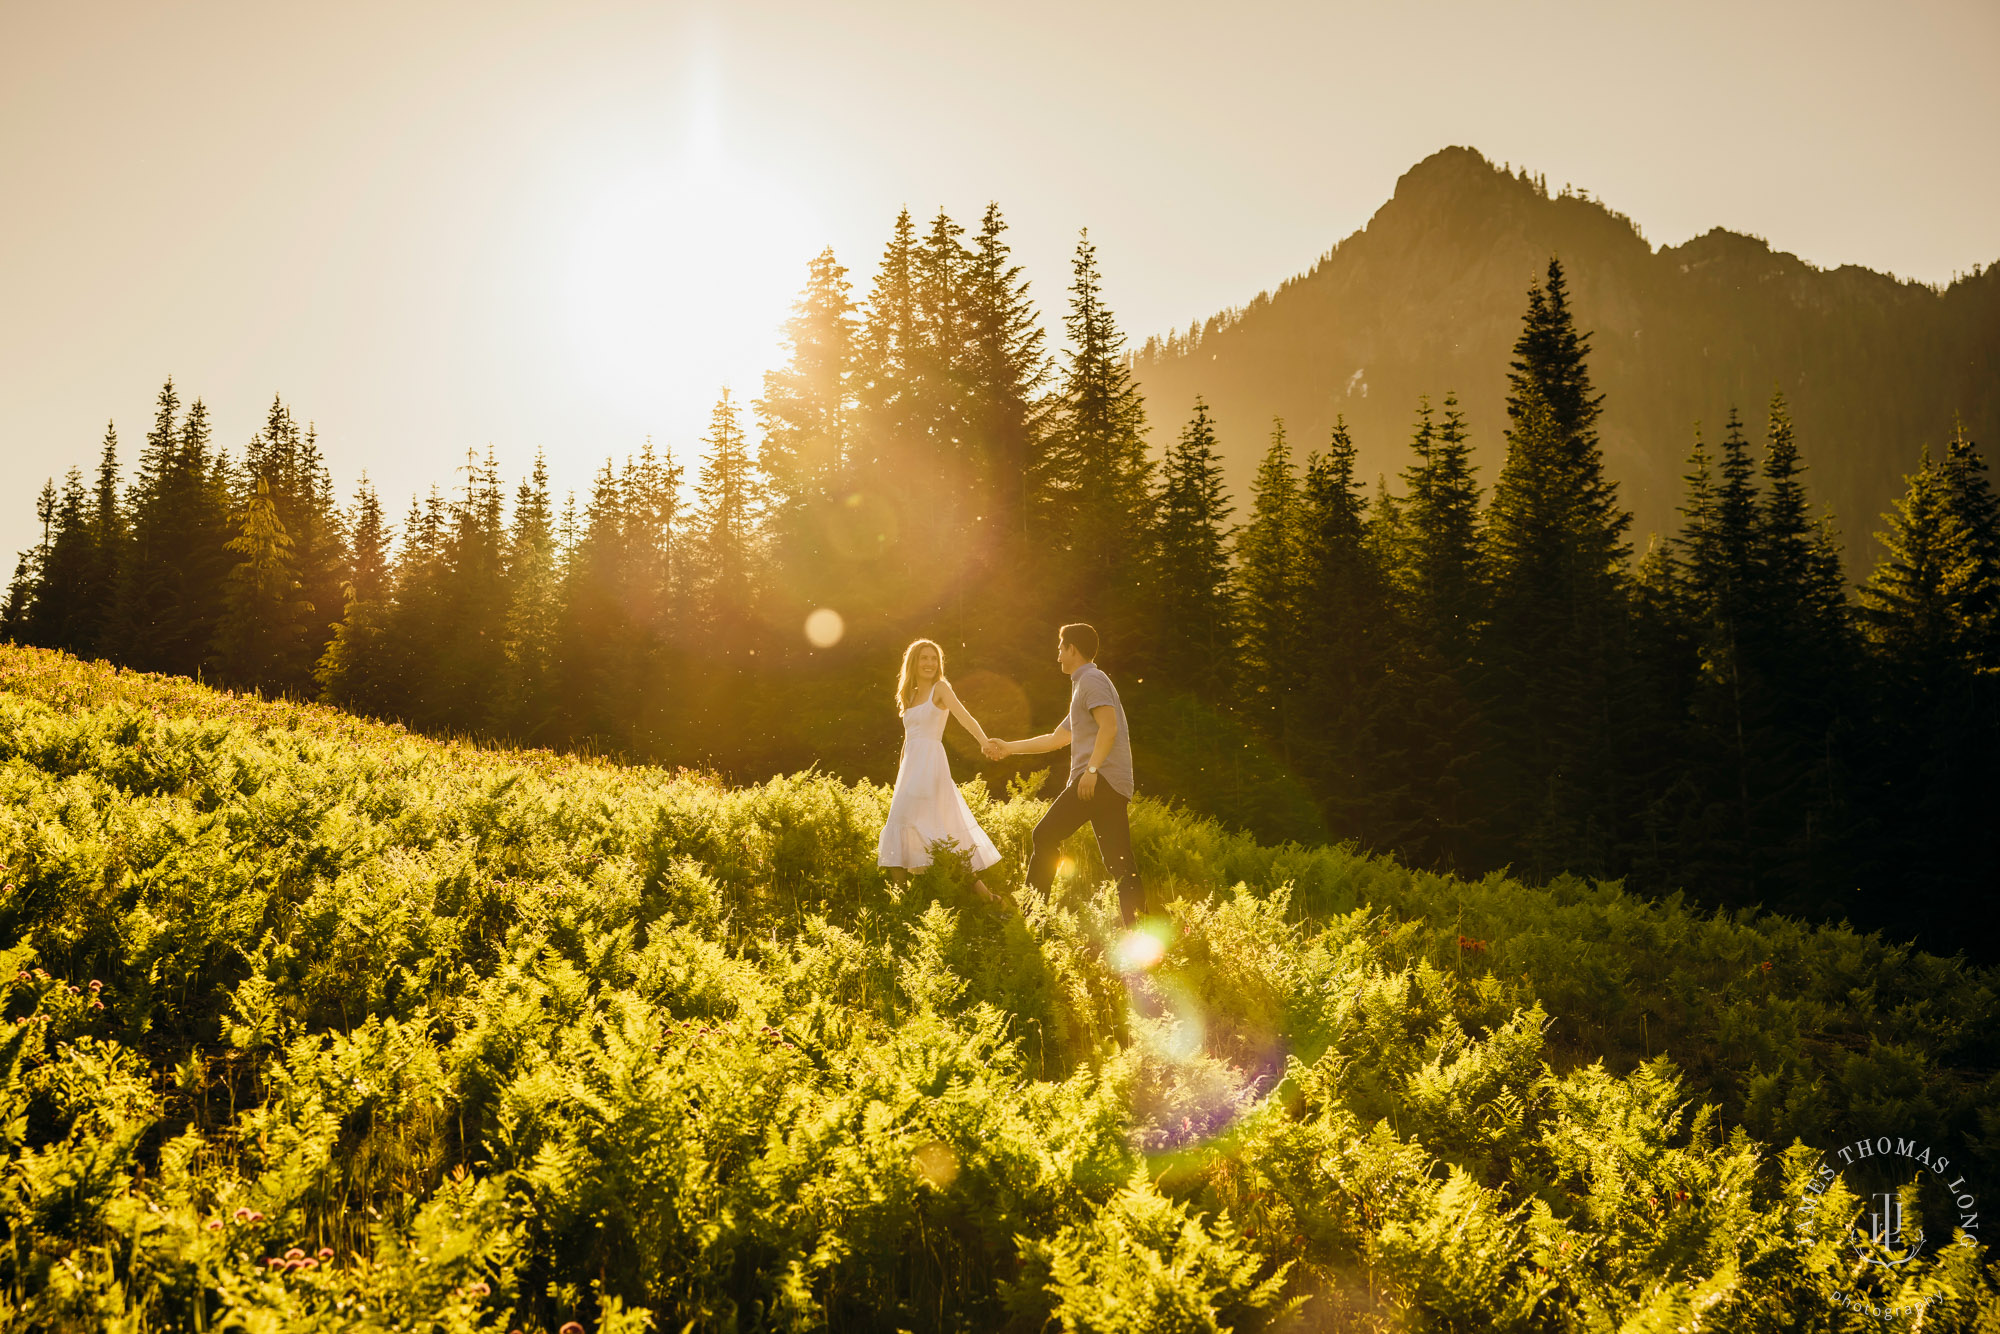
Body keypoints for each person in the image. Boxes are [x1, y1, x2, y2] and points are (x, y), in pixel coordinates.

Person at [983, 622, 1143, 925]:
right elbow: (1056, 738)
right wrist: (1008, 747)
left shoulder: (1092, 680)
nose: (1057, 656)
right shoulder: (1085, 685)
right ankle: (1137, 927)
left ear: (1073, 649)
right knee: (1119, 860)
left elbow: (1109, 727)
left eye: (1060, 648)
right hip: (1109, 782)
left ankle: (1031, 919)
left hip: (1100, 781)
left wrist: (1092, 771)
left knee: (1044, 835)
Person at [876, 638, 1007, 903]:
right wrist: (901, 774)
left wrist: (985, 743)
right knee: (898, 828)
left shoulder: (941, 689)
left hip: (931, 765)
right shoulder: (909, 695)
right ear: (914, 662)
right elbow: (908, 737)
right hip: (910, 769)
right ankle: (904, 905)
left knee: (939, 836)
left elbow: (964, 717)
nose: (929, 663)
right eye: (924, 658)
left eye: (933, 658)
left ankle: (988, 900)